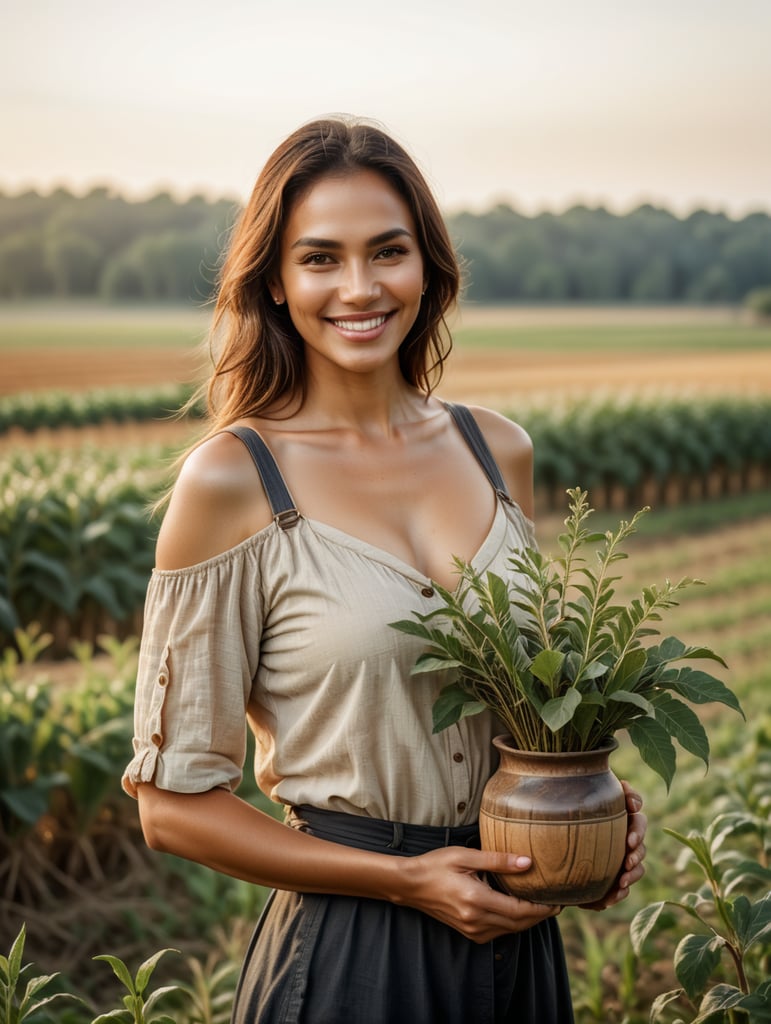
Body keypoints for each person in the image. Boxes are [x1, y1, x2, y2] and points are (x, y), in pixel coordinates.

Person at [122, 116, 647, 1023]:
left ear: (429, 268)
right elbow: (173, 809)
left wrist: (586, 811)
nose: (358, 287)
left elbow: (532, 707)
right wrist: (407, 881)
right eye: (320, 258)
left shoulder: (499, 453)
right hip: (350, 952)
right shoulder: (234, 480)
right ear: (276, 284)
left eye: (387, 252)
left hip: (518, 943)